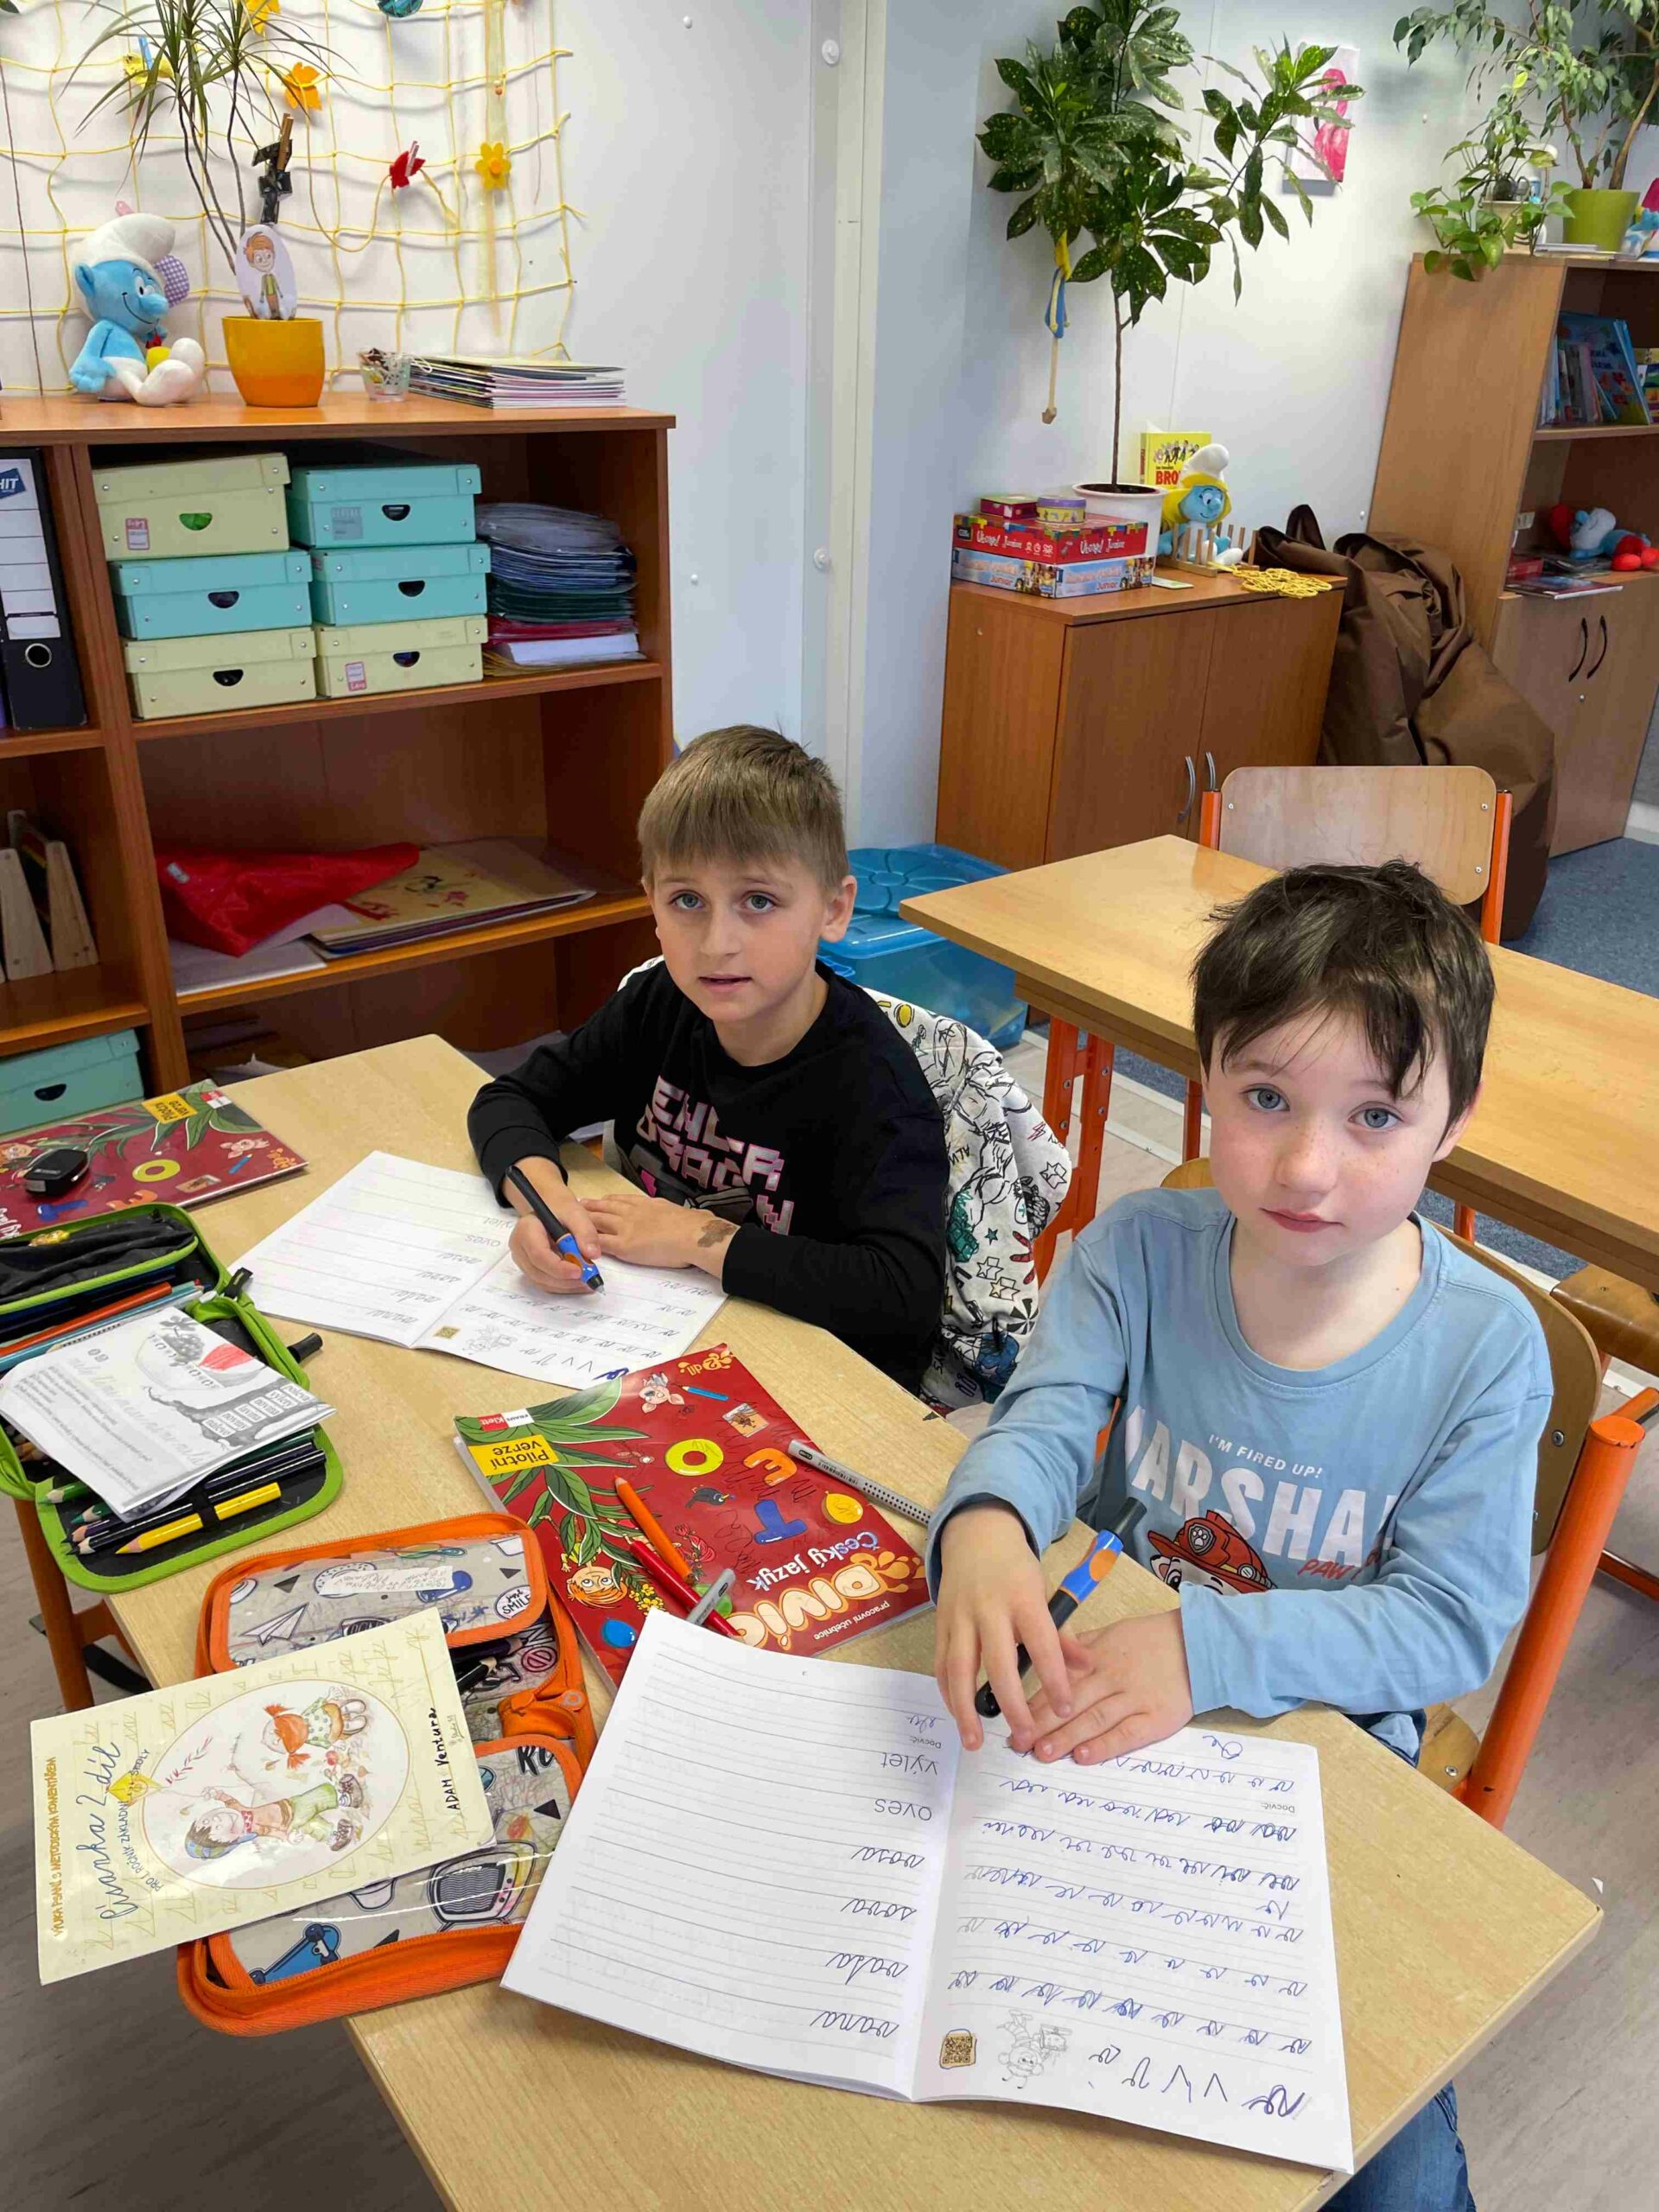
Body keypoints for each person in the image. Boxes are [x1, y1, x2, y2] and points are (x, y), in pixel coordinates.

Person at [927, 858, 1552, 2210]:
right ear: (1205, 1075)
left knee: (1380, 2156)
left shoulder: (1487, 1349)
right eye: (1266, 1097)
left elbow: (1447, 1624)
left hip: (1325, 1758)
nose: (1307, 1167)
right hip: (1096, 1711)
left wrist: (1204, 1652)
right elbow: (1044, 1424)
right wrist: (984, 1520)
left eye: (1376, 1115)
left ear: (1454, 1120)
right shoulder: (1134, 1252)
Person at [469, 726, 947, 1393]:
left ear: (834, 909)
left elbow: (901, 1296)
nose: (717, 943)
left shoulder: (874, 1084)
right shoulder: (659, 1003)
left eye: (759, 901)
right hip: (656, 1333)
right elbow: (510, 1099)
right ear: (652, 904)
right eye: (687, 901)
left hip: (816, 1381)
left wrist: (699, 1238)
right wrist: (546, 1207)